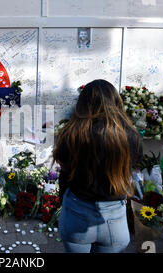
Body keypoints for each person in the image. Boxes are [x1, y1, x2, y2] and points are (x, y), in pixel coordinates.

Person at [53, 79, 143, 253]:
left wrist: (63, 201)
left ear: (83, 104)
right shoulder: (130, 136)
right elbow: (133, 166)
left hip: (77, 215)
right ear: (116, 101)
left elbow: (64, 174)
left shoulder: (72, 134)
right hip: (114, 221)